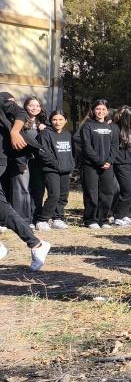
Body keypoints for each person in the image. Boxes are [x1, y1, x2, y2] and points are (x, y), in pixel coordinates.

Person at [0, 93, 52, 270]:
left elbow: (21, 113)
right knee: (2, 206)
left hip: (1, 157)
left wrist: (15, 132)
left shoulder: (1, 99)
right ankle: (36, 244)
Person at [76, 99, 119, 229]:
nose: (100, 111)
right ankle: (90, 219)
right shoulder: (88, 126)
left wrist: (109, 161)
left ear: (107, 111)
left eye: (103, 109)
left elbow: (114, 146)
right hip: (90, 165)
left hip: (107, 166)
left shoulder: (113, 127)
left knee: (107, 192)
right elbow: (87, 147)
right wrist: (100, 161)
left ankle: (103, 218)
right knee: (91, 193)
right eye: (98, 109)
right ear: (93, 110)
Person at [5, 97, 47, 225]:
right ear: (25, 107)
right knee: (21, 189)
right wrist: (20, 162)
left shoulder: (43, 123)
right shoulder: (18, 121)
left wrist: (44, 129)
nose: (35, 108)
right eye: (31, 105)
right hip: (22, 160)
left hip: (38, 162)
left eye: (37, 106)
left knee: (38, 189)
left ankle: (35, 217)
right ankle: (22, 220)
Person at [36, 110, 74, 230]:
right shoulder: (45, 134)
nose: (57, 122)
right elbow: (43, 153)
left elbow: (72, 152)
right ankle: (42, 220)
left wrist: (71, 164)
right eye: (54, 120)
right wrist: (56, 164)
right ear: (50, 121)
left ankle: (58, 219)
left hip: (65, 170)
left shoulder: (68, 134)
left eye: (60, 119)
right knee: (54, 195)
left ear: (65, 121)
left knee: (63, 196)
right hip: (51, 169)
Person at [111, 106, 131, 226]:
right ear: (128, 118)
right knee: (127, 190)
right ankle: (118, 216)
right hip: (123, 164)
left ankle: (126, 215)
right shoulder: (117, 129)